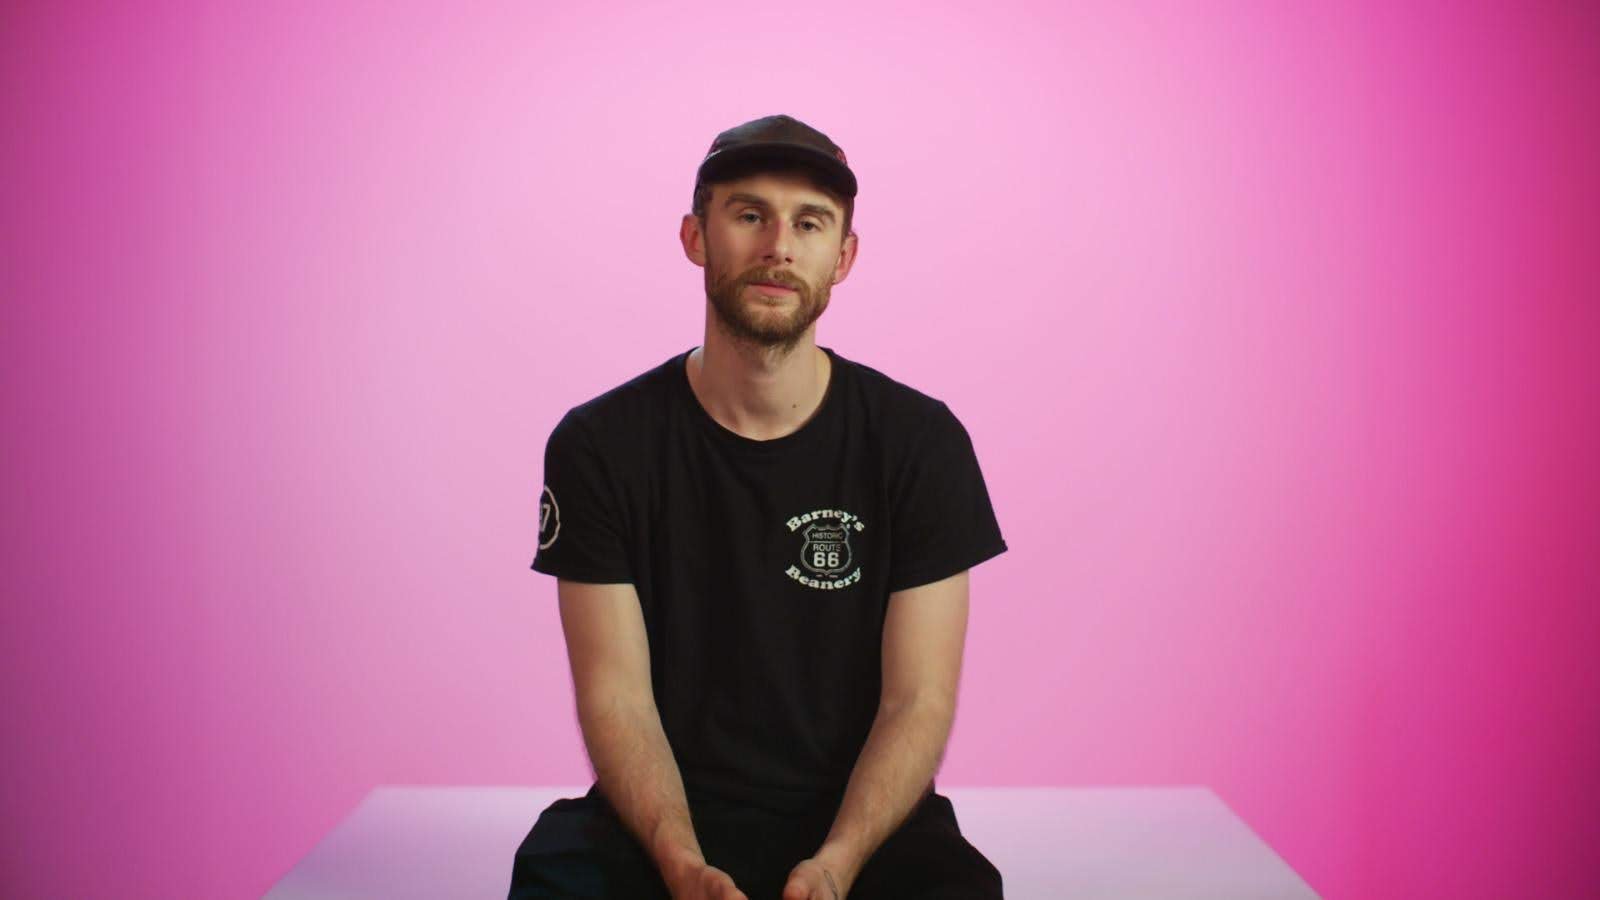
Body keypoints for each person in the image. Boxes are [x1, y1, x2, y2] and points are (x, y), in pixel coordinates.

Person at [510, 114, 1008, 900]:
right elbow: (617, 697)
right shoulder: (600, 444)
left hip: (858, 817)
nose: (779, 246)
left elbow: (917, 700)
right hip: (662, 813)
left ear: (843, 257)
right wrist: (680, 862)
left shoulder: (920, 442)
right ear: (695, 237)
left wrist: (838, 863)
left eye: (809, 223)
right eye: (749, 215)